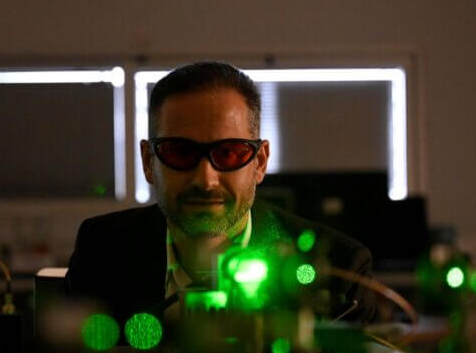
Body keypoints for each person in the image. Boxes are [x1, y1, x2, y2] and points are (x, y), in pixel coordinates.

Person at [65, 61, 376, 326]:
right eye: (180, 152)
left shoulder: (337, 271)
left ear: (260, 162)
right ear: (148, 162)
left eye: (228, 153)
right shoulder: (102, 252)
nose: (206, 180)